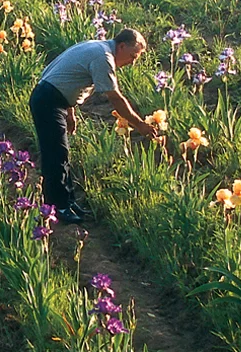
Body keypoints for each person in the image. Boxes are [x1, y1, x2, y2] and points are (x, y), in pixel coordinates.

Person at [30, 28, 158, 224]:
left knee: (61, 153)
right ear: (122, 46)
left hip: (53, 99)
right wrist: (140, 125)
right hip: (48, 101)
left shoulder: (96, 46)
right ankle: (58, 208)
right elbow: (115, 99)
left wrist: (70, 111)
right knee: (55, 154)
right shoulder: (103, 57)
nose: (133, 61)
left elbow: (67, 77)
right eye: (133, 56)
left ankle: (69, 202)